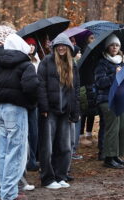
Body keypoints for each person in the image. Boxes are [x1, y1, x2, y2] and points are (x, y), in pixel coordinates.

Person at [0, 34, 39, 200]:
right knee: (16, 154)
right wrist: (30, 104)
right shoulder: (26, 65)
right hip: (16, 111)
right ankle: (9, 194)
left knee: (3, 152)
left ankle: (5, 191)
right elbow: (31, 87)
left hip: (0, 110)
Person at [37, 33, 80, 189]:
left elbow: (75, 90)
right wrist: (44, 107)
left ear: (69, 48)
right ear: (55, 47)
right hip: (50, 111)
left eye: (64, 45)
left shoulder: (73, 65)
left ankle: (61, 175)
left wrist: (75, 111)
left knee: (65, 146)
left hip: (65, 111)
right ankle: (47, 179)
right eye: (58, 45)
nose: (61, 48)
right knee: (47, 147)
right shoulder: (46, 62)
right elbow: (40, 86)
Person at [95, 34, 124, 169]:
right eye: (112, 45)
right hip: (107, 99)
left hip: (121, 99)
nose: (115, 47)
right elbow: (100, 82)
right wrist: (114, 75)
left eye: (117, 45)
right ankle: (109, 157)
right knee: (113, 128)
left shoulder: (122, 62)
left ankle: (118, 155)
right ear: (107, 47)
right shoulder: (102, 63)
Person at [24, 37, 41, 171]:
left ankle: (34, 156)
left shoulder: (37, 60)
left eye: (33, 45)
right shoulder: (23, 60)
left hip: (37, 97)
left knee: (35, 130)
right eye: (29, 45)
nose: (31, 47)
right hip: (26, 99)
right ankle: (28, 158)